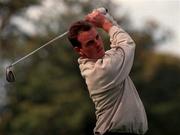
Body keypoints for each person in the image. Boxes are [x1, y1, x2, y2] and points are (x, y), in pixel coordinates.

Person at [67, 9, 148, 135]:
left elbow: (119, 39)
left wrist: (106, 17)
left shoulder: (107, 60)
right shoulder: (101, 71)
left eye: (97, 37)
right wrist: (104, 22)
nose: (98, 44)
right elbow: (127, 43)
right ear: (79, 50)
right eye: (90, 43)